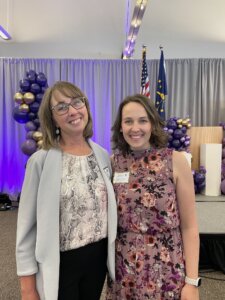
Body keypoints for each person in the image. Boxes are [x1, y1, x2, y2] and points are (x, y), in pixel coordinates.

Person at [16, 81, 117, 300]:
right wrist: (27, 287)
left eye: (77, 102)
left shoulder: (101, 155)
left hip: (97, 260)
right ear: (52, 117)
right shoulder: (39, 161)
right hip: (60, 263)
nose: (72, 111)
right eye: (61, 107)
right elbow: (26, 228)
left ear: (86, 107)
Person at [107, 94, 200, 300]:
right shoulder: (113, 163)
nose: (135, 128)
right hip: (125, 271)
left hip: (166, 270)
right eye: (128, 121)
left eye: (142, 120)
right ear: (120, 127)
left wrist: (192, 282)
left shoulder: (175, 161)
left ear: (152, 124)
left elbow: (190, 226)